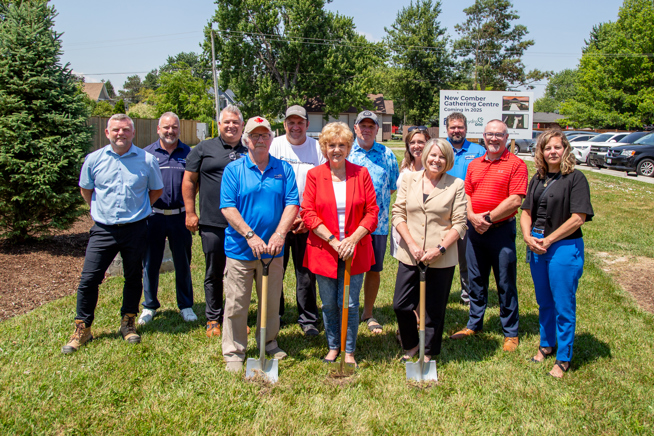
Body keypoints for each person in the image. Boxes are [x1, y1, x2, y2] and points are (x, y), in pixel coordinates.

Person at [62, 114, 163, 354]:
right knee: (89, 279)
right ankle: (83, 328)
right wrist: (99, 210)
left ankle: (128, 323)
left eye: (126, 130)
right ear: (107, 133)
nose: (121, 134)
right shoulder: (93, 159)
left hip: (135, 228)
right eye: (116, 130)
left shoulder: (147, 160)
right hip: (103, 229)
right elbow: (86, 190)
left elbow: (156, 190)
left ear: (133, 133)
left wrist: (137, 210)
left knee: (133, 276)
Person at [220, 116, 299, 373]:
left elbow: (292, 204)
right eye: (255, 136)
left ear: (271, 139)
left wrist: (278, 235)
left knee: (271, 301)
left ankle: (269, 341)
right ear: (246, 140)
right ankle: (234, 350)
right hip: (240, 250)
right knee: (236, 302)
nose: (260, 140)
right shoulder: (234, 170)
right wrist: (250, 235)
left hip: (273, 251)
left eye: (265, 135)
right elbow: (228, 207)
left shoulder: (283, 169)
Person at [301, 122, 378, 367]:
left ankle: (350, 350)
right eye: (331, 145)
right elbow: (309, 213)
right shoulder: (314, 175)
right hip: (324, 249)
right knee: (329, 303)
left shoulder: (361, 173)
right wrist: (334, 241)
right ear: (324, 148)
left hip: (354, 249)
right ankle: (333, 346)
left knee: (350, 302)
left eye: (342, 145)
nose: (336, 150)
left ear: (348, 147)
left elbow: (372, 212)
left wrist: (352, 240)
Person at [520, 130, 593, 378]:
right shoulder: (537, 178)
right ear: (541, 152)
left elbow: (578, 218)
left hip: (563, 248)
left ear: (565, 150)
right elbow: (526, 212)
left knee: (563, 304)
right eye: (547, 148)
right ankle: (546, 344)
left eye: (557, 147)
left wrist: (549, 239)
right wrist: (528, 237)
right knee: (544, 302)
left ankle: (563, 357)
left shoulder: (576, 178)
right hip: (537, 247)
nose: (552, 152)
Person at [450, 119, 528, 352]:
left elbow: (516, 199)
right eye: (490, 134)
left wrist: (487, 218)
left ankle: (510, 332)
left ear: (506, 137)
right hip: (474, 230)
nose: (494, 138)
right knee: (475, 279)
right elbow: (467, 193)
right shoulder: (475, 164)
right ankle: (474, 323)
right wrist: (473, 216)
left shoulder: (516, 164)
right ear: (483, 136)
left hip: (500, 231)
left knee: (505, 282)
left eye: (499, 135)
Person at [392, 138, 467, 361]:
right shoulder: (408, 179)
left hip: (440, 257)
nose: (437, 160)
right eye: (433, 155)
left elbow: (460, 223)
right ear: (425, 156)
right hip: (410, 254)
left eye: (442, 156)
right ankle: (411, 343)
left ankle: (428, 353)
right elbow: (398, 214)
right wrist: (412, 245)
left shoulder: (456, 185)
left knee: (434, 308)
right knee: (401, 304)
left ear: (448, 160)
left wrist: (440, 249)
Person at [183, 104, 247, 338]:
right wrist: (190, 212)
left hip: (243, 224)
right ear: (219, 125)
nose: (231, 126)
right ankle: (213, 317)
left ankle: (237, 316)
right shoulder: (203, 148)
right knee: (214, 271)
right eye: (226, 122)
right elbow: (189, 180)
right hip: (213, 222)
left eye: (235, 122)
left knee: (239, 272)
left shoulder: (250, 149)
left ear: (242, 125)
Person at [270, 105, 326, 337]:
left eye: (300, 122)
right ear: (284, 125)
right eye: (291, 122)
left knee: (306, 272)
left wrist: (307, 216)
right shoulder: (275, 145)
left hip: (307, 219)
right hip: (278, 220)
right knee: (275, 270)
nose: (295, 127)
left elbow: (324, 183)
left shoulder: (316, 148)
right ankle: (276, 314)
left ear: (307, 124)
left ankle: (308, 318)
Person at [139, 112, 196, 325]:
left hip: (180, 216)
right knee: (150, 262)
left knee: (183, 261)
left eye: (174, 127)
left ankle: (186, 305)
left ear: (179, 129)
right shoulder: (146, 155)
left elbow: (194, 183)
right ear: (158, 129)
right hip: (153, 216)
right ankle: (149, 305)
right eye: (166, 127)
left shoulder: (189, 153)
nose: (170, 131)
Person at [348, 110, 399, 334]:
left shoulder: (387, 154)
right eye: (363, 125)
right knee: (347, 268)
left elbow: (392, 187)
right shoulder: (346, 153)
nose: (367, 130)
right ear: (355, 128)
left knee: (373, 270)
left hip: (378, 225)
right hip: (349, 226)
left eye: (371, 126)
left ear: (377, 129)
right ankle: (346, 310)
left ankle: (368, 312)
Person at [444, 112, 486, 305]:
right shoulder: (441, 148)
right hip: (442, 210)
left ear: (466, 129)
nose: (456, 130)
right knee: (440, 253)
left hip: (469, 209)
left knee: (467, 256)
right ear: (447, 129)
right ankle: (439, 292)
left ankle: (468, 294)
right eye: (453, 127)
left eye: (460, 127)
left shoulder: (478, 151)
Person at [390, 127, 432, 258]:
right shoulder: (405, 165)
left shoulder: (432, 167)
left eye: (420, 142)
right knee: (404, 260)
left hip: (422, 222)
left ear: (428, 143)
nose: (416, 146)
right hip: (402, 219)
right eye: (412, 142)